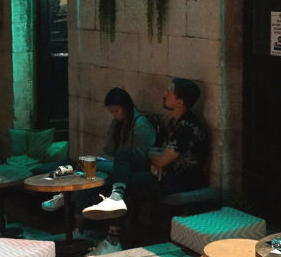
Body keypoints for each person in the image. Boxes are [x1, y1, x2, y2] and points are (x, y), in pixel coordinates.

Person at [83, 78, 209, 225]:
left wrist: (157, 160)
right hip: (162, 173)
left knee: (114, 179)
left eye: (169, 92)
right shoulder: (175, 122)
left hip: (179, 180)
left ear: (180, 102)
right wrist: (157, 162)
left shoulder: (188, 127)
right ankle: (113, 199)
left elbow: (161, 158)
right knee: (115, 160)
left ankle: (111, 234)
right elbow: (160, 154)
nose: (164, 94)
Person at [41, 87, 155, 213]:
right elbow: (109, 150)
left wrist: (107, 160)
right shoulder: (117, 123)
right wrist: (101, 158)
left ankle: (66, 196)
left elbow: (141, 155)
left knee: (90, 167)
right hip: (114, 160)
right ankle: (65, 196)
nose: (114, 115)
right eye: (112, 112)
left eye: (116, 111)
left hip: (128, 166)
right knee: (85, 165)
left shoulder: (140, 124)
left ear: (125, 107)